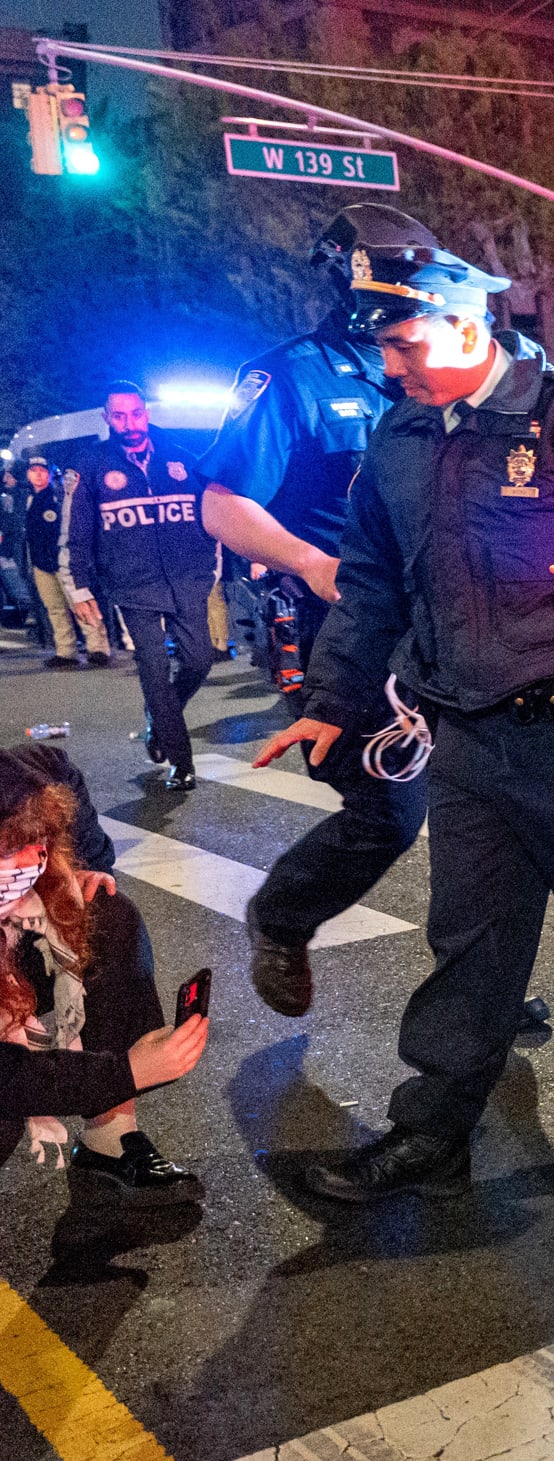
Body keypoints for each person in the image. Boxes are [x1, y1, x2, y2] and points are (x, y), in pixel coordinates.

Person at [254, 232, 554, 1205]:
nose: (389, 365)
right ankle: (432, 1136)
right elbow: (372, 583)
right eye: (380, 346)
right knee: (468, 948)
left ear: (465, 324)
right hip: (464, 742)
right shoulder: (399, 437)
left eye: (405, 342)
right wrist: (331, 702)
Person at [200, 205, 438, 1018]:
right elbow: (223, 504)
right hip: (346, 633)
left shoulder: (437, 367)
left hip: (448, 625)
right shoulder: (290, 376)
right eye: (394, 277)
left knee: (486, 806)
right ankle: (283, 912)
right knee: (389, 809)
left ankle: (478, 980)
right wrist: (309, 560)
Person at [2, 744, 206, 1203]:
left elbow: (58, 780)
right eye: (5, 851)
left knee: (101, 914)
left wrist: (75, 875)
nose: (24, 866)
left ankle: (108, 1142)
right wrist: (127, 1071)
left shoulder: (30, 775)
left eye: (32, 847)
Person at [60, 384, 218, 790]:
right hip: (132, 585)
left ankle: (159, 717)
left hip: (187, 579)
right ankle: (181, 762)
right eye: (119, 416)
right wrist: (78, 588)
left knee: (200, 661)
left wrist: (212, 565)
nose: (128, 423)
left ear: (145, 412)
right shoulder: (89, 465)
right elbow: (75, 533)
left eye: (135, 414)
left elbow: (212, 514)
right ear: (107, 418)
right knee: (154, 667)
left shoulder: (182, 456)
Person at [19, 458, 106, 668]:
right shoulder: (27, 497)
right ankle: (66, 650)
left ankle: (98, 647)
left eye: (42, 471)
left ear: (49, 474)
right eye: (34, 471)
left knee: (79, 602)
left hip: (62, 559)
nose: (38, 475)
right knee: (55, 607)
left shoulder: (57, 496)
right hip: (41, 561)